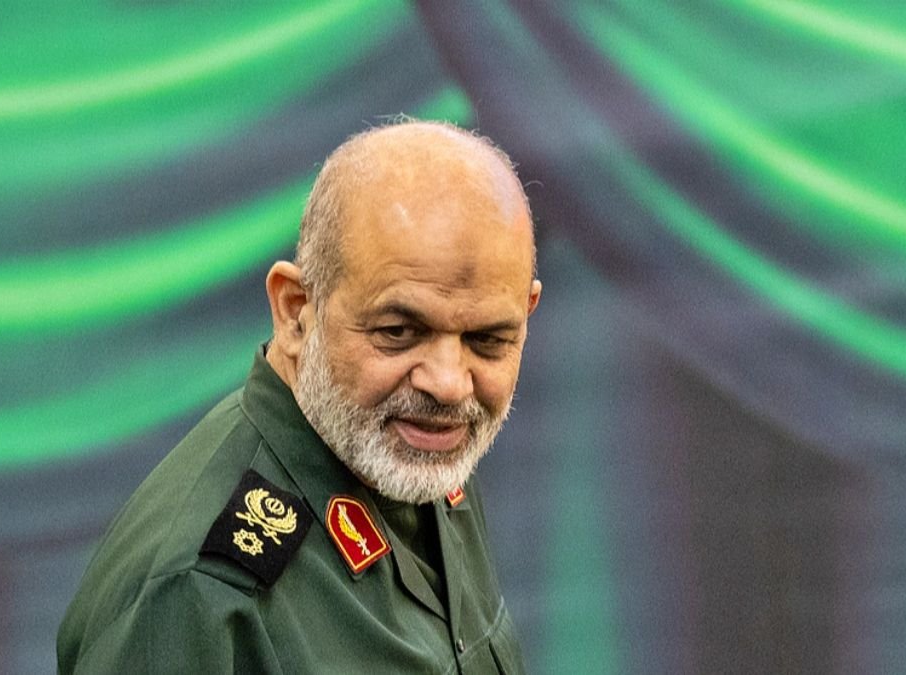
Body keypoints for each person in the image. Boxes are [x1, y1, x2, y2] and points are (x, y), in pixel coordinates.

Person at [56, 119, 542, 674]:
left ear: (526, 312)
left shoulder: (416, 449)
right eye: (398, 332)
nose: (449, 384)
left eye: (488, 339)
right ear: (295, 312)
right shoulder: (196, 594)